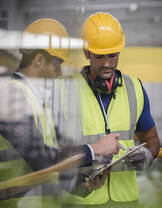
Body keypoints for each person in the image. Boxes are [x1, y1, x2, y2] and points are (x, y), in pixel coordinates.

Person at [0, 18, 121, 207]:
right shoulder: (10, 97)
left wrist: (84, 186)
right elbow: (44, 160)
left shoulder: (35, 100)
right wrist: (95, 148)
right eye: (57, 62)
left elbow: (49, 162)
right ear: (39, 60)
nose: (59, 71)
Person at [63, 12, 160, 207]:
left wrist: (148, 156)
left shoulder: (135, 89)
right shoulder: (65, 91)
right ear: (86, 52)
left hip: (126, 201)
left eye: (112, 55)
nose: (107, 63)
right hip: (82, 201)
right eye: (99, 56)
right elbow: (50, 152)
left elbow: (152, 139)